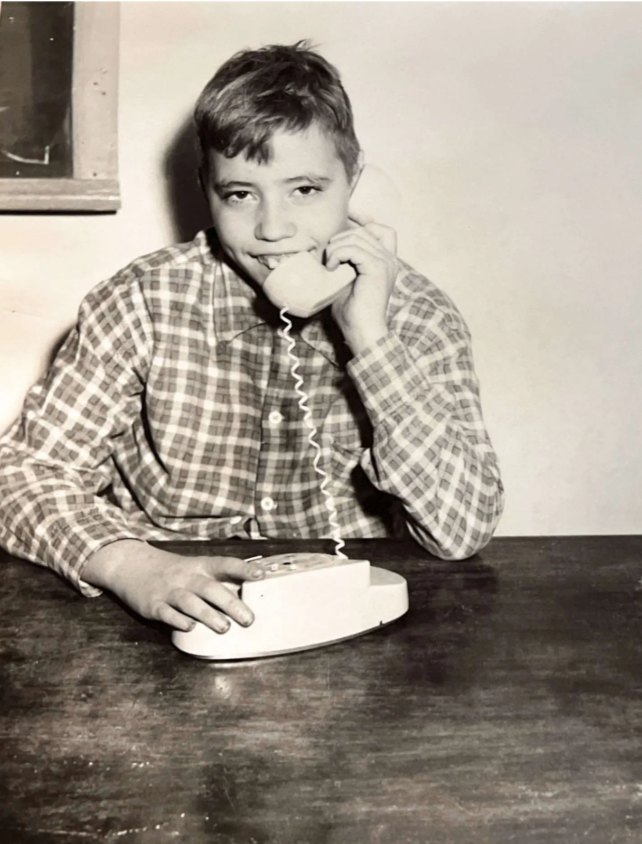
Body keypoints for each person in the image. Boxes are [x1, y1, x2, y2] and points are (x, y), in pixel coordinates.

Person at [0, 42, 504, 634]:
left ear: (353, 180)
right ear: (206, 189)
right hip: (159, 613)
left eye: (306, 190)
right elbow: (22, 474)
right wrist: (130, 564)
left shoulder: (419, 316)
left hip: (342, 619)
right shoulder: (143, 299)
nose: (271, 229)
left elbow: (462, 530)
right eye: (240, 194)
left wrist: (370, 339)